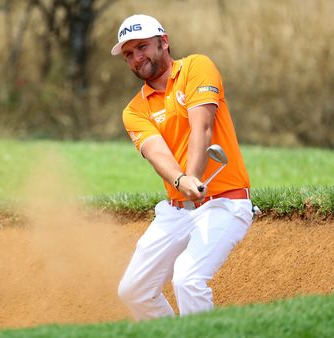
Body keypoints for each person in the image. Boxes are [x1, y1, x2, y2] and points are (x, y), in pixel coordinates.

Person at [110, 14, 254, 320]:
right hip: (177, 210)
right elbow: (155, 152)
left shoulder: (196, 67)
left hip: (225, 204)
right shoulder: (134, 110)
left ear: (164, 42)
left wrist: (193, 177)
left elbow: (201, 127)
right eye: (128, 54)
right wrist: (180, 181)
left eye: (142, 47)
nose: (137, 58)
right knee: (133, 290)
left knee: (187, 279)